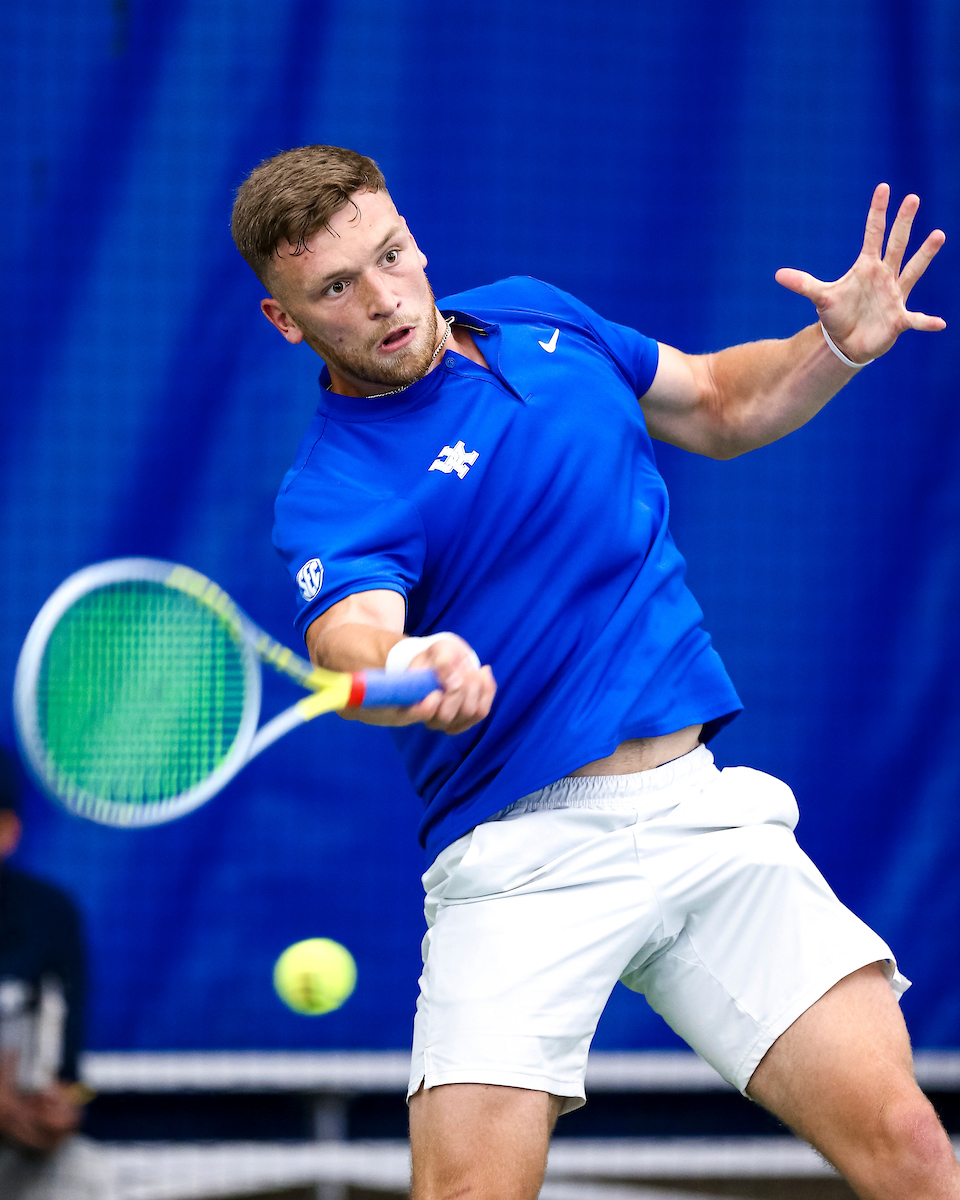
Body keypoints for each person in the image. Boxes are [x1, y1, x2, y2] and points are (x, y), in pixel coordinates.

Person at [230, 146, 952, 1200]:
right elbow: (353, 634)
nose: (384, 298)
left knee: (914, 1148)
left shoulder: (534, 315)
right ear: (286, 321)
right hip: (526, 857)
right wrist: (409, 659)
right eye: (335, 288)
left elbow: (712, 402)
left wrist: (831, 348)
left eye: (390, 255)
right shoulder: (333, 489)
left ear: (413, 236)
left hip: (702, 816)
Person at [0, 748, 113, 1199]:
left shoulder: (49, 915)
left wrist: (54, 1115)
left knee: (84, 1178)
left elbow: (65, 1082)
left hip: (16, 1155)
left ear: (9, 832)